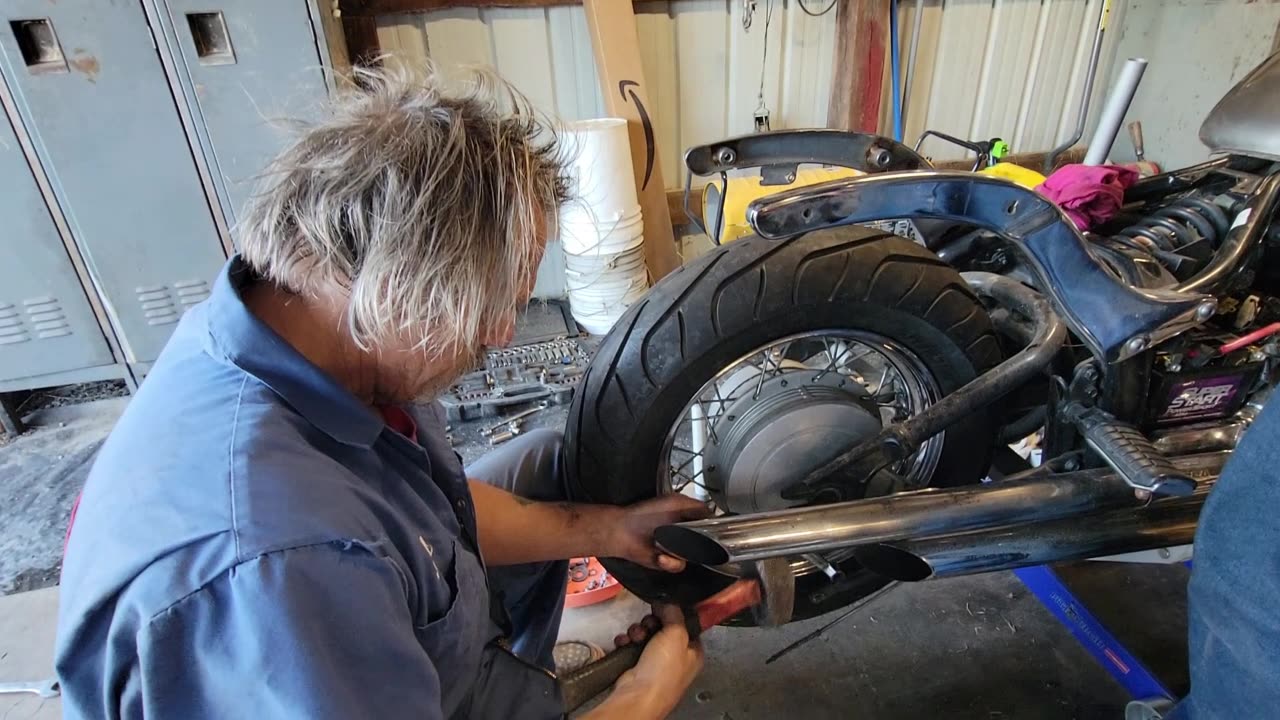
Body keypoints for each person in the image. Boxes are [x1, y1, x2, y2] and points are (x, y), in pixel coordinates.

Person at [54, 66, 708, 719]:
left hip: (367, 632)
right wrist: (644, 697)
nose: (504, 334)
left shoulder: (294, 328)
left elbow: (412, 496)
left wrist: (609, 530)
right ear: (398, 286)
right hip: (317, 640)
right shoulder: (285, 566)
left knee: (540, 461)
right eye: (491, 309)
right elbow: (332, 543)